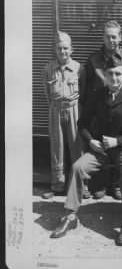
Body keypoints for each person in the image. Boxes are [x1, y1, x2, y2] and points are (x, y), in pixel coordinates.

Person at [50, 57, 122, 246]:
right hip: (100, 149)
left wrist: (118, 141)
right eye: (110, 74)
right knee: (78, 167)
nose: (114, 78)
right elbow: (83, 124)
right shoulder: (96, 96)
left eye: (118, 73)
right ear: (104, 75)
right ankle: (70, 216)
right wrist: (90, 141)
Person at [79, 20, 122, 200]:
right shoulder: (93, 60)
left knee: (120, 149)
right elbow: (87, 90)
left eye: (114, 36)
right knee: (99, 150)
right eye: (107, 36)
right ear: (102, 37)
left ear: (120, 38)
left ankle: (118, 184)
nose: (111, 40)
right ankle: (100, 183)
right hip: (100, 114)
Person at [41, 31, 84, 199]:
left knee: (77, 147)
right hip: (56, 109)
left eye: (66, 48)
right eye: (59, 48)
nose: (63, 52)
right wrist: (55, 108)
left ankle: (79, 186)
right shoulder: (48, 69)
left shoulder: (80, 68)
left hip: (74, 110)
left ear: (72, 49)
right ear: (54, 50)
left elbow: (84, 92)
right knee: (56, 147)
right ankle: (57, 184)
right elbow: (46, 94)